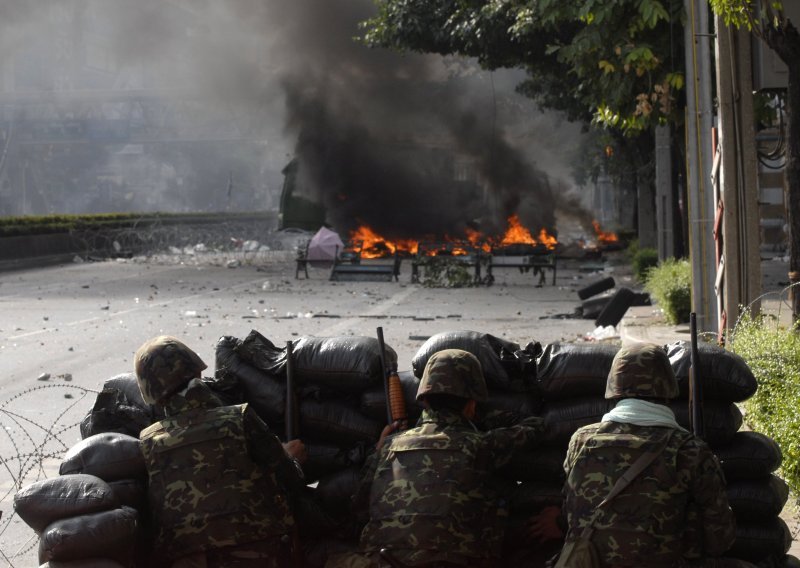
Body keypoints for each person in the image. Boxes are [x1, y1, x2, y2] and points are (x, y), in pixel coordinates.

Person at [328, 348, 545, 568]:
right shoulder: (482, 445)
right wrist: (482, 417)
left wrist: (379, 450)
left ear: (424, 401)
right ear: (471, 403)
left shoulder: (389, 446)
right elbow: (535, 426)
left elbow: (358, 509)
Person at [134, 335, 307, 568]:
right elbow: (291, 480)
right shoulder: (239, 418)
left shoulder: (147, 443)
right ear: (197, 372)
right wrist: (292, 458)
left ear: (151, 395)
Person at [557, 343, 735, 567]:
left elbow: (569, 511)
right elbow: (720, 539)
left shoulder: (581, 440)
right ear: (667, 387)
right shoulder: (690, 450)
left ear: (614, 386)